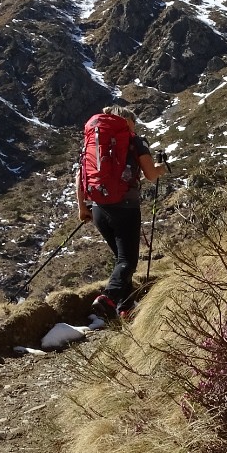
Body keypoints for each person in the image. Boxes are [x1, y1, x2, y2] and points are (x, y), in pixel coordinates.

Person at [77, 106, 164, 319]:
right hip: (125, 207)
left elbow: (80, 177)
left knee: (121, 258)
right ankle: (109, 297)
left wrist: (82, 207)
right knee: (128, 261)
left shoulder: (94, 142)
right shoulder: (134, 140)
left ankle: (126, 308)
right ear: (127, 121)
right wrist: (163, 166)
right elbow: (151, 175)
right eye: (133, 122)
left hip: (98, 208)